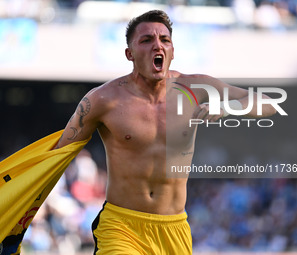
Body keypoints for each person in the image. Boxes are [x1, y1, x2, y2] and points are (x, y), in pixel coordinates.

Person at [54, 10, 276, 254]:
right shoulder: (102, 99)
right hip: (121, 226)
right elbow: (57, 156)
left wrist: (229, 108)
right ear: (129, 54)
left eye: (164, 40)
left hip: (174, 228)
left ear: (172, 52)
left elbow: (268, 103)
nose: (157, 45)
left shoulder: (196, 88)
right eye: (147, 40)